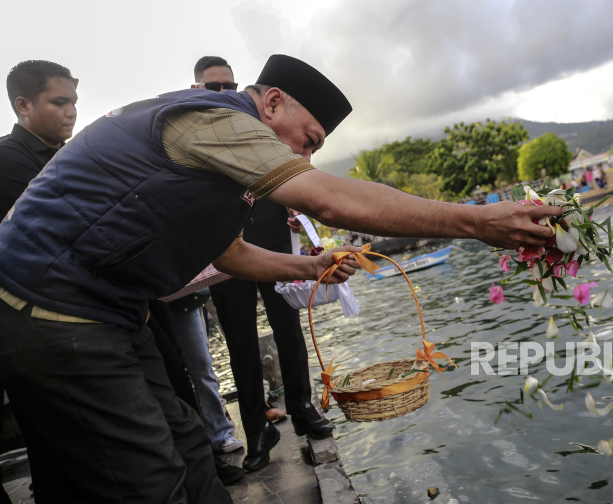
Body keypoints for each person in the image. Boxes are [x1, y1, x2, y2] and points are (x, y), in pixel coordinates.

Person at [0, 54, 561, 502]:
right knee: (144, 481)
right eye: (309, 140)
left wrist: (311, 266)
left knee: (192, 447)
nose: (304, 155)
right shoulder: (217, 120)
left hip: (115, 313)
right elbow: (331, 200)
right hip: (51, 309)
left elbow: (231, 254)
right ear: (271, 102)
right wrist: (478, 219)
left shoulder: (228, 154)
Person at [189, 56, 334, 474]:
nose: (223, 93)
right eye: (213, 87)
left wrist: (295, 212)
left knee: (288, 325)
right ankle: (256, 428)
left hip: (270, 230)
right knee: (239, 341)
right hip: (224, 245)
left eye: (229, 84)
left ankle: (302, 406)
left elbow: (293, 172)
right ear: (198, 87)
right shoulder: (198, 125)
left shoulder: (264, 129)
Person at [0, 60, 79, 503]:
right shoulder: (8, 161)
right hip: (38, 324)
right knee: (54, 448)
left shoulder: (63, 156)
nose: (70, 112)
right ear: (23, 104)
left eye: (74, 102)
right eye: (59, 102)